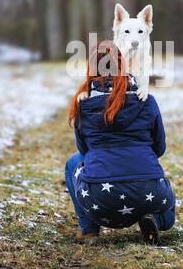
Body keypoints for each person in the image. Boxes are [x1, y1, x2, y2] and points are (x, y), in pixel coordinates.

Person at [65, 41, 175, 244]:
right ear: (124, 65)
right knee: (168, 212)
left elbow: (84, 151)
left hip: (102, 201)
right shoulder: (146, 100)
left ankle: (89, 229)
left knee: (74, 161)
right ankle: (154, 219)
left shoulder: (84, 104)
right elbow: (159, 148)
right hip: (149, 192)